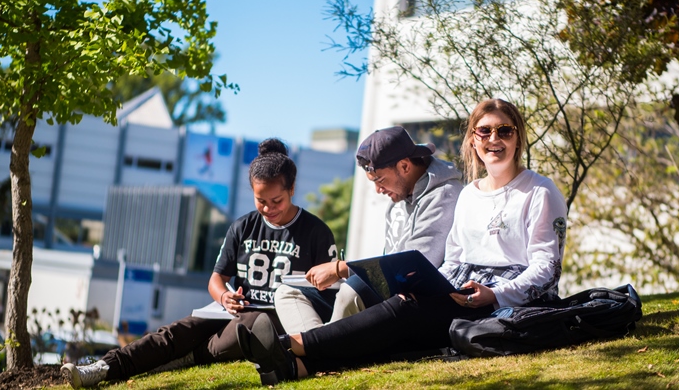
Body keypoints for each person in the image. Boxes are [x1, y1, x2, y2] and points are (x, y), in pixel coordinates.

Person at [238, 99, 568, 385]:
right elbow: (453, 259)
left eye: (504, 131)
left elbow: (547, 268)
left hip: (502, 303)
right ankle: (297, 366)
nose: (493, 139)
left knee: (402, 308)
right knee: (402, 306)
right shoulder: (470, 195)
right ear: (473, 140)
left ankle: (290, 346)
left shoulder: (539, 191)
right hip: (461, 294)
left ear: (518, 138)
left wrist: (495, 293)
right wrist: (440, 286)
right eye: (484, 131)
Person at [61, 138, 337, 388]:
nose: (268, 208)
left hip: (276, 319)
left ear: (292, 189)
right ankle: (103, 367)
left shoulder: (316, 231)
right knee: (175, 332)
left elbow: (330, 294)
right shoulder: (243, 226)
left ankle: (175, 361)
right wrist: (225, 296)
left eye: (276, 200)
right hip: (233, 310)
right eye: (260, 201)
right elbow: (216, 279)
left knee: (251, 325)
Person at [274, 126, 463, 333]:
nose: (378, 190)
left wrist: (342, 268)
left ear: (405, 166)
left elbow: (412, 266)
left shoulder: (445, 195)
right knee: (288, 293)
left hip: (415, 304)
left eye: (380, 180)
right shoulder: (399, 197)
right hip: (385, 293)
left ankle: (313, 350)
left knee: (350, 292)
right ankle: (315, 347)